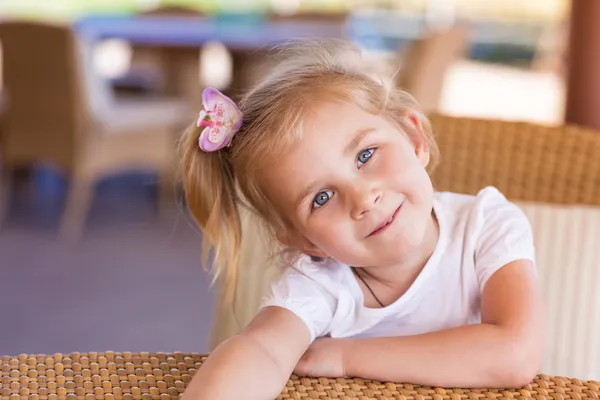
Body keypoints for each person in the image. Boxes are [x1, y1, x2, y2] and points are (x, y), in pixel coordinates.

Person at [179, 40, 543, 400]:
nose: (363, 198)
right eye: (321, 198)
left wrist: (347, 356)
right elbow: (261, 350)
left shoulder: (485, 225)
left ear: (414, 138)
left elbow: (515, 353)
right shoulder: (320, 281)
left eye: (366, 154)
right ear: (304, 241)